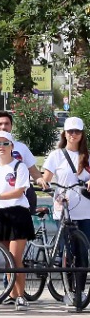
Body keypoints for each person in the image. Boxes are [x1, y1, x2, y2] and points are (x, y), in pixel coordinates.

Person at [0, 131, 33, 310]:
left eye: (5, 143)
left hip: (18, 214)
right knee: (7, 259)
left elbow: (19, 191)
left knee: (16, 258)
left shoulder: (20, 167)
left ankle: (21, 296)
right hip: (1, 215)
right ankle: (12, 294)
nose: (1, 147)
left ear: (12, 146)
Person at [42, 116, 90, 304]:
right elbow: (46, 178)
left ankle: (80, 291)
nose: (73, 135)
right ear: (65, 133)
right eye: (70, 131)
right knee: (68, 253)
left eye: (77, 131)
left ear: (82, 134)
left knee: (83, 253)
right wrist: (45, 184)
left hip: (85, 210)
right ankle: (70, 291)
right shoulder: (56, 155)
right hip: (65, 209)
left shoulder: (87, 156)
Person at [0, 110, 40, 200]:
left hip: (20, 200)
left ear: (11, 126)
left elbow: (33, 171)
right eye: (0, 124)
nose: (3, 127)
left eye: (6, 124)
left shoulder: (22, 148)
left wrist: (40, 180)